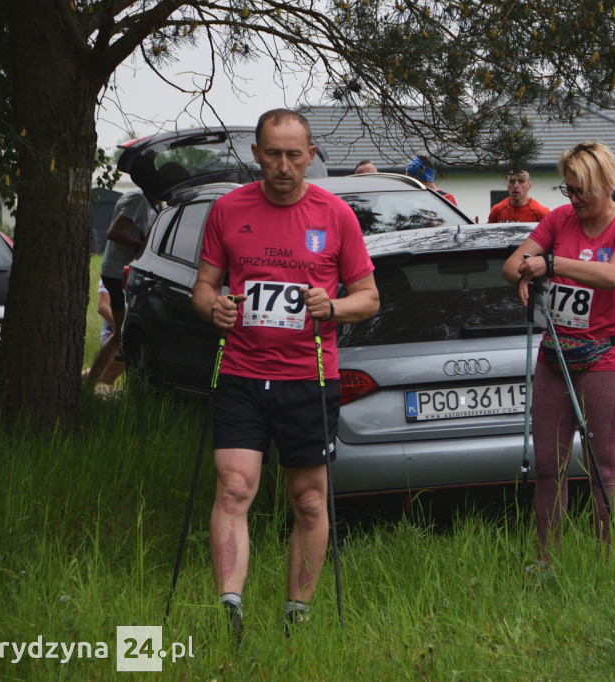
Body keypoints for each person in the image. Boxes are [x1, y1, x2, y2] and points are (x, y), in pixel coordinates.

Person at [191, 108, 379, 640]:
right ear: (256, 154)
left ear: (311, 155)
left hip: (308, 376)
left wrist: (333, 307)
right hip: (242, 372)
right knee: (232, 488)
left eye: (294, 155)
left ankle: (298, 611)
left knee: (309, 499)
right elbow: (203, 288)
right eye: (272, 154)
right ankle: (230, 608)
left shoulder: (336, 214)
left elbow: (368, 298)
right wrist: (214, 308)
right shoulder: (228, 210)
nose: (283, 165)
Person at [502, 141, 615, 566]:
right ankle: (547, 560)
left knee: (604, 465)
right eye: (568, 189)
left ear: (607, 183)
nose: (575, 199)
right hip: (555, 356)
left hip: (606, 356)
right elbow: (512, 264)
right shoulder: (560, 219)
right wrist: (524, 276)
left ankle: (609, 562)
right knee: (549, 464)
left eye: (582, 189)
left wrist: (553, 264)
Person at [84, 188, 156, 390]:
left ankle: (88, 383)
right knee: (120, 336)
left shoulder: (152, 204)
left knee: (122, 337)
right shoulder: (138, 199)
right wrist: (140, 246)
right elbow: (114, 232)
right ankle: (89, 384)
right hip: (116, 272)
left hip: (128, 271)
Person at [81, 281, 124, 387]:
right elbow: (102, 307)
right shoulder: (112, 274)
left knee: (100, 373)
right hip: (114, 335)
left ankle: (73, 382)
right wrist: (123, 329)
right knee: (104, 378)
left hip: (130, 334)